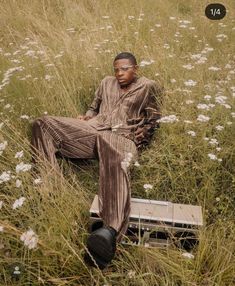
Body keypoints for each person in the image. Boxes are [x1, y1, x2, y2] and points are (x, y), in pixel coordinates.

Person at [30, 52, 164, 269]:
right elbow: (94, 107)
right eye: (116, 69)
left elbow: (154, 119)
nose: (119, 73)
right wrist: (86, 116)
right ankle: (48, 190)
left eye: (125, 69)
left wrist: (141, 139)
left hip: (122, 136)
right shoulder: (106, 83)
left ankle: (108, 232)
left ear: (136, 69)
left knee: (114, 158)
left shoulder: (148, 86)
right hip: (93, 130)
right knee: (42, 123)